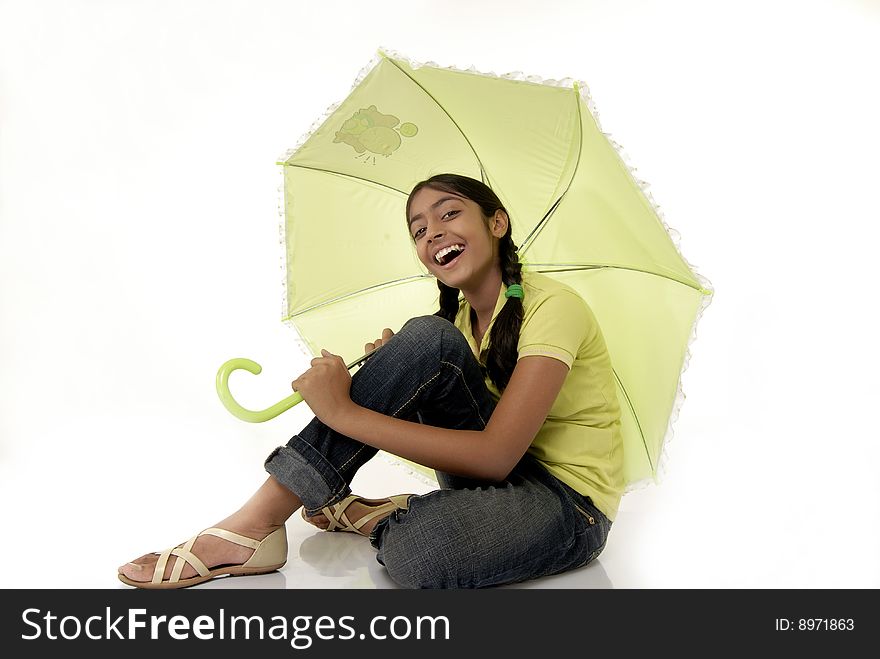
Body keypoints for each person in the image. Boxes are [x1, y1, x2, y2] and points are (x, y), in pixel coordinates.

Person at [118, 173, 624, 589]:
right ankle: (255, 526)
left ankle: (392, 514)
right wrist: (401, 368)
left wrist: (344, 412)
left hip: (567, 506)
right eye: (419, 230)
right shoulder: (459, 326)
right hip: (498, 485)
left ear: (497, 222)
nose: (433, 234)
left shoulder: (553, 308)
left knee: (415, 553)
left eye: (450, 214)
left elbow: (495, 455)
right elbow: (472, 440)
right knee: (425, 339)